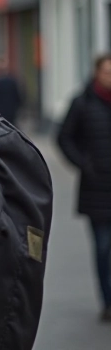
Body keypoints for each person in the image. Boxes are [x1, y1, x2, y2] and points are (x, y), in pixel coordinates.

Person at [57, 53, 111, 322]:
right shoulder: (82, 103)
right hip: (96, 189)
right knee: (103, 247)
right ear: (97, 73)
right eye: (107, 72)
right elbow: (64, 137)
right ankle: (108, 301)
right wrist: (84, 164)